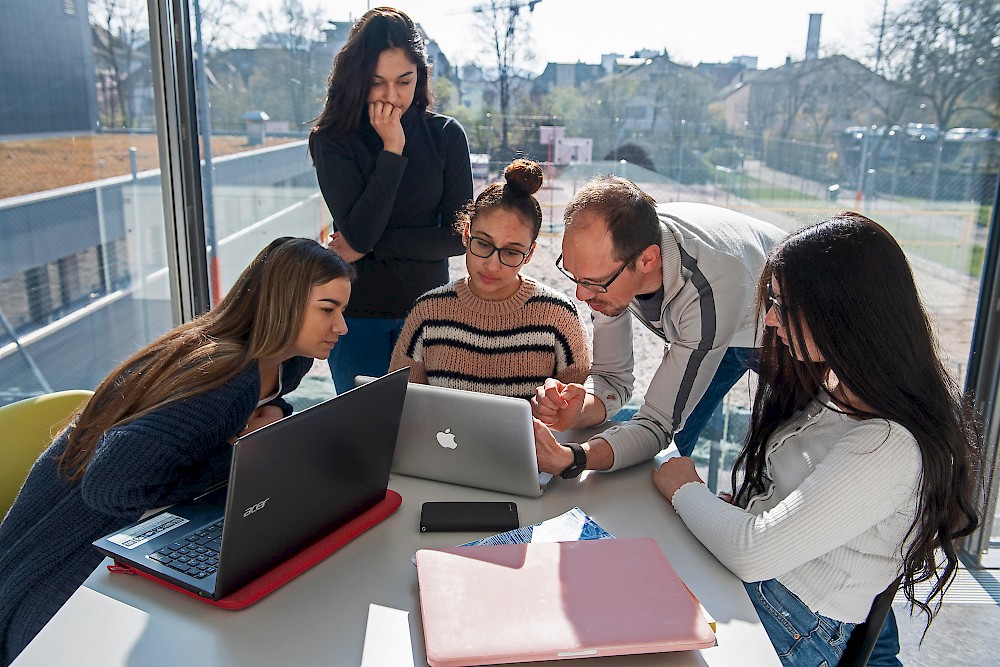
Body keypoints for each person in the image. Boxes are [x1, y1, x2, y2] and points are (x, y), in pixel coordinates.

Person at [0, 237, 355, 666]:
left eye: (341, 310)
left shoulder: (286, 361)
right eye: (327, 309)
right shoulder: (226, 377)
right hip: (66, 550)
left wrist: (275, 410)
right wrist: (243, 451)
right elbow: (110, 489)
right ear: (283, 302)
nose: (342, 327)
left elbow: (253, 411)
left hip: (123, 525)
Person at [651, 213, 981, 667]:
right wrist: (739, 513)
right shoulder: (837, 390)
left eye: (784, 306)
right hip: (767, 594)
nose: (769, 320)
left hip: (794, 625)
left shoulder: (888, 445)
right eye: (772, 300)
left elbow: (753, 552)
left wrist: (683, 488)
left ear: (846, 313)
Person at [531, 176, 786, 479]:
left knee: (791, 448)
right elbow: (612, 378)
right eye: (575, 276)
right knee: (671, 452)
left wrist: (572, 459)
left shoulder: (708, 288)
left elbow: (657, 424)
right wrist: (580, 409)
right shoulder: (614, 260)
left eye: (593, 283)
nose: (581, 295)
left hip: (782, 324)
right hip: (714, 319)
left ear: (647, 260)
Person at [309, 6, 473, 394]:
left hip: (430, 314)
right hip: (356, 315)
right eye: (377, 82)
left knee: (433, 432)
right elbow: (361, 233)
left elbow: (454, 238)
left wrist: (365, 246)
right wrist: (393, 148)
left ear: (421, 75)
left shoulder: (446, 135)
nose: (392, 96)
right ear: (357, 79)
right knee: (366, 437)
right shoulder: (332, 140)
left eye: (404, 81)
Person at [389, 159, 590, 400]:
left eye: (511, 252)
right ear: (466, 234)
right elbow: (400, 405)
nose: (492, 264)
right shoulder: (427, 313)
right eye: (483, 244)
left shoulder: (558, 315)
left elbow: (574, 412)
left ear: (530, 254)